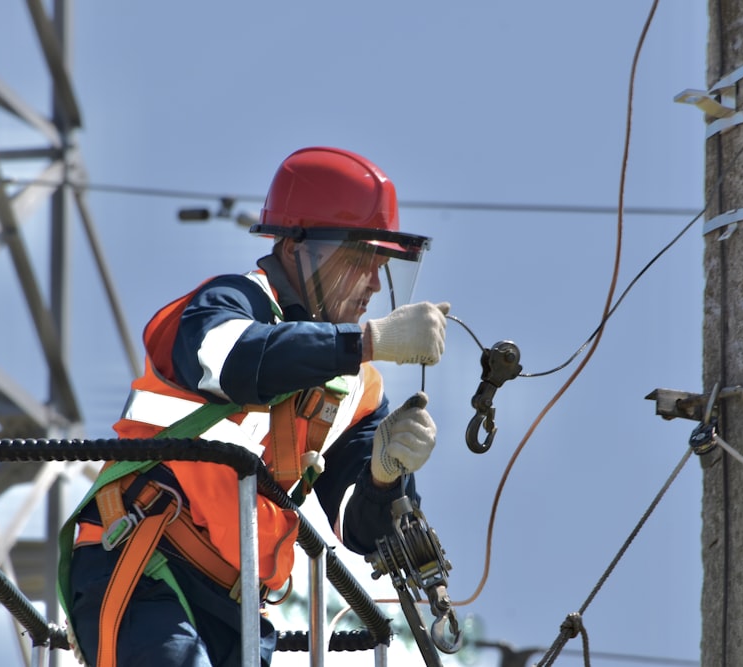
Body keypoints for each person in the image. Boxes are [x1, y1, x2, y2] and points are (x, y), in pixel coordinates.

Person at [59, 146, 450, 667]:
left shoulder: (357, 390)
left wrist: (385, 475)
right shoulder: (229, 303)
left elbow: (361, 529)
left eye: (382, 264)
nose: (375, 283)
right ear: (297, 249)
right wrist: (364, 342)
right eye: (360, 260)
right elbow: (236, 363)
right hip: (147, 558)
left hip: (236, 607)